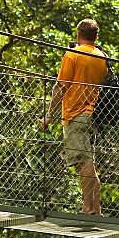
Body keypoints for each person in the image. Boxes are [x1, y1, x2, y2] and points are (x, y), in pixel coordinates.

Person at [39, 18, 108, 215]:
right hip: (93, 114)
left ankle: (87, 208)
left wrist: (49, 116)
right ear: (95, 37)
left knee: (82, 161)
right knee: (88, 160)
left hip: (75, 113)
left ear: (78, 35)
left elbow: (61, 86)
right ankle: (96, 208)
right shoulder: (101, 56)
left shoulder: (73, 55)